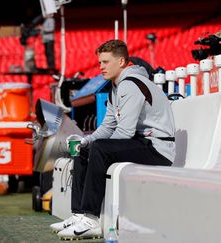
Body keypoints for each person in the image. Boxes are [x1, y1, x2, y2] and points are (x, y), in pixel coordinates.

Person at [50, 39, 175, 239]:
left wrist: (97, 148)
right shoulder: (116, 87)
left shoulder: (132, 84)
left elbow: (124, 132)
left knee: (99, 149)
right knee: (83, 149)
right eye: (100, 62)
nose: (101, 67)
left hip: (158, 148)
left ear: (122, 61)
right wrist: (86, 142)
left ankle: (91, 219)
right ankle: (79, 214)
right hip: (141, 142)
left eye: (106, 62)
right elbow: (107, 126)